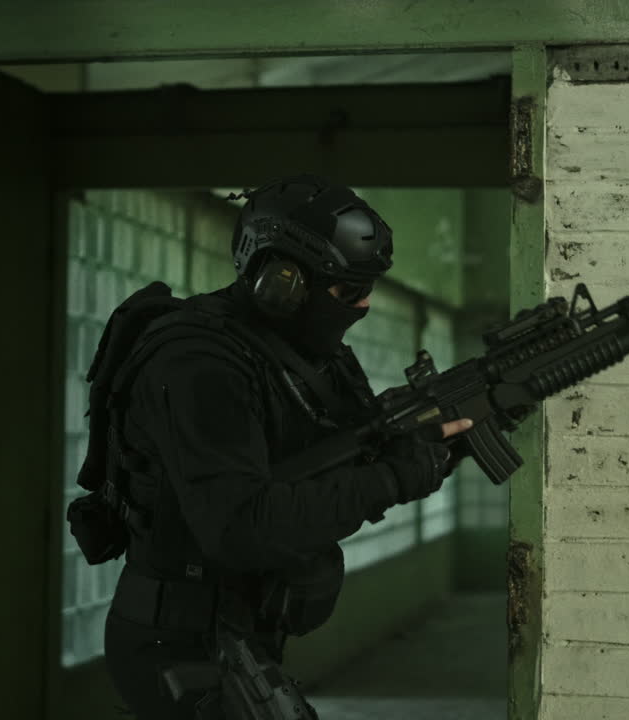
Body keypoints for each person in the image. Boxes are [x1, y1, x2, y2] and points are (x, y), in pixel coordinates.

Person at [102, 175, 475, 719]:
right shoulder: (198, 364)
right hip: (178, 639)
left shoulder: (314, 357)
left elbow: (346, 469)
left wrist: (439, 440)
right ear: (282, 282)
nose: (365, 304)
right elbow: (241, 525)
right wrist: (394, 477)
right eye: (348, 291)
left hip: (240, 632)